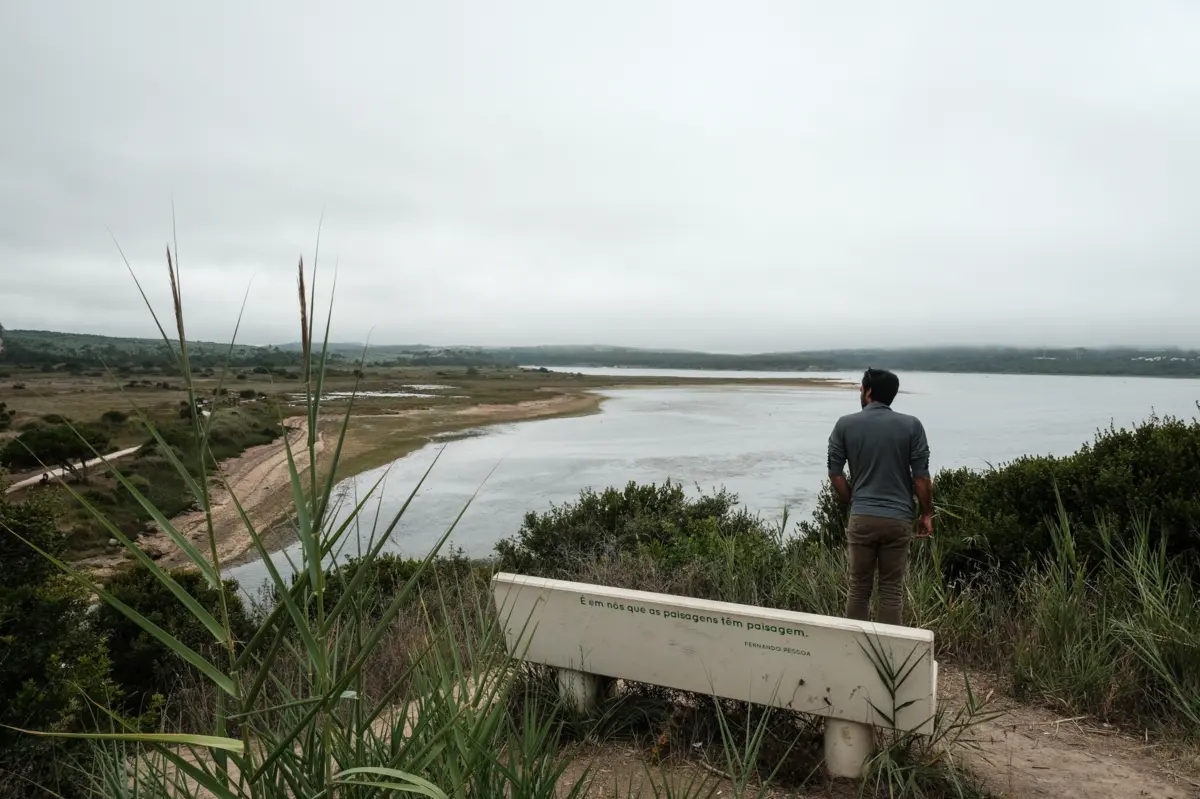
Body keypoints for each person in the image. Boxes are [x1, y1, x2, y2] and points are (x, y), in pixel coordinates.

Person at [826, 368, 932, 626]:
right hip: (898, 519)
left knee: (859, 588)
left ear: (869, 392)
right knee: (891, 591)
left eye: (862, 388)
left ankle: (854, 651)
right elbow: (921, 478)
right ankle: (887, 655)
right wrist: (926, 513)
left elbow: (835, 474)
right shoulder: (912, 425)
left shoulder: (845, 424)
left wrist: (852, 500)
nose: (860, 392)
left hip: (862, 515)